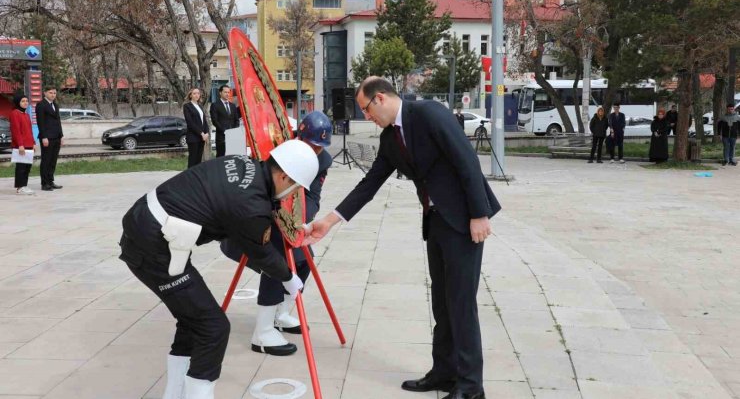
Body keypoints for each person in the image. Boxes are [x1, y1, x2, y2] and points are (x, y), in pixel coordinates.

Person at [305, 77, 500, 399]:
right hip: (435, 221)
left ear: (380, 98)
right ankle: (444, 372)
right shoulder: (390, 139)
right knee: (441, 301)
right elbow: (369, 185)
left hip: (465, 221)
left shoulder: (429, 114)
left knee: (461, 303)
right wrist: (328, 221)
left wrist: (479, 215)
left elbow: (466, 160)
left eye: (365, 109)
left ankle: (470, 386)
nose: (365, 116)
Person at [119, 140, 319, 399]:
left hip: (146, 225)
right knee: (213, 328)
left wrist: (292, 227)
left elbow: (258, 210)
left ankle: (175, 394)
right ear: (283, 176)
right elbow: (261, 252)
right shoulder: (249, 204)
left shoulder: (244, 165)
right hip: (153, 245)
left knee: (193, 321)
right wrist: (289, 278)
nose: (293, 194)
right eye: (294, 188)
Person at [220, 111, 333, 356]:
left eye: (320, 147)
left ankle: (280, 314)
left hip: (289, 221)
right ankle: (262, 331)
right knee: (277, 262)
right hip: (256, 222)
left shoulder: (323, 161)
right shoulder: (276, 147)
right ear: (298, 138)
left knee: (304, 261)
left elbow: (312, 197)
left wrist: (300, 218)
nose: (315, 152)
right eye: (311, 145)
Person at [35, 86, 64, 191]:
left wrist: (61, 136)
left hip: (56, 136)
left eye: (54, 93)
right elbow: (40, 123)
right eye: (51, 93)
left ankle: (51, 181)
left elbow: (58, 121)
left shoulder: (55, 105)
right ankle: (44, 183)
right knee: (46, 160)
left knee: (53, 160)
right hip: (47, 138)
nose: (53, 95)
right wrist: (44, 137)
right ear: (45, 93)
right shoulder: (41, 105)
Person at [10, 93, 36, 195]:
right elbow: (16, 131)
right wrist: (20, 144)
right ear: (18, 102)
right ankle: (20, 187)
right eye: (23, 101)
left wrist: (33, 143)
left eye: (26, 101)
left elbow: (29, 131)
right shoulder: (14, 113)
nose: (25, 103)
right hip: (21, 146)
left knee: (27, 167)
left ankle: (24, 185)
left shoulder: (26, 115)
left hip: (29, 144)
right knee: (21, 167)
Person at [209, 85, 240, 158]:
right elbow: (215, 121)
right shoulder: (215, 105)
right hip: (221, 137)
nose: (227, 94)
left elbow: (236, 120)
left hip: (232, 137)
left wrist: (233, 131)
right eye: (225, 92)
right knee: (221, 157)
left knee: (232, 158)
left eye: (228, 92)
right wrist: (225, 131)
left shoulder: (233, 106)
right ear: (220, 93)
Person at [183, 88, 209, 168]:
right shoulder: (187, 106)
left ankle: (196, 178)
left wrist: (207, 133)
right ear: (190, 95)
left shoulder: (200, 106)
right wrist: (201, 133)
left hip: (202, 138)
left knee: (198, 160)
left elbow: (204, 121)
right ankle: (190, 179)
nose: (197, 95)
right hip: (193, 137)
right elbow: (190, 123)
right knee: (193, 160)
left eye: (198, 93)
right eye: (194, 93)